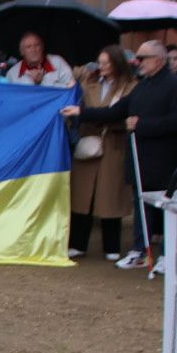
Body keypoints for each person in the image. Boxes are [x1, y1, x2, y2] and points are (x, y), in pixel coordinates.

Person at [111, 40, 177, 273]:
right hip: (141, 158)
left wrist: (142, 124)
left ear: (158, 60)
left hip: (164, 159)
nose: (139, 62)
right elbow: (119, 109)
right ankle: (139, 250)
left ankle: (168, 253)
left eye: (143, 57)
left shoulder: (176, 85)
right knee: (141, 205)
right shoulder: (143, 85)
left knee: (166, 206)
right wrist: (82, 111)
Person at [59, 45, 136, 260]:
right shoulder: (89, 81)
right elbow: (70, 73)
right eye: (99, 62)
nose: (101, 66)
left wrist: (83, 113)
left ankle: (111, 246)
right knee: (82, 196)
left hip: (113, 143)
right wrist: (73, 83)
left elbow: (116, 113)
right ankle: (78, 243)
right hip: (88, 140)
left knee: (110, 196)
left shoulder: (130, 86)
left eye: (106, 63)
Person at [5, 32, 75, 87]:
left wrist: (43, 81)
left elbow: (71, 89)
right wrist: (33, 83)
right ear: (22, 52)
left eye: (37, 45)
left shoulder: (57, 62)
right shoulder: (13, 73)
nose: (33, 49)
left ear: (42, 47)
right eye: (28, 47)